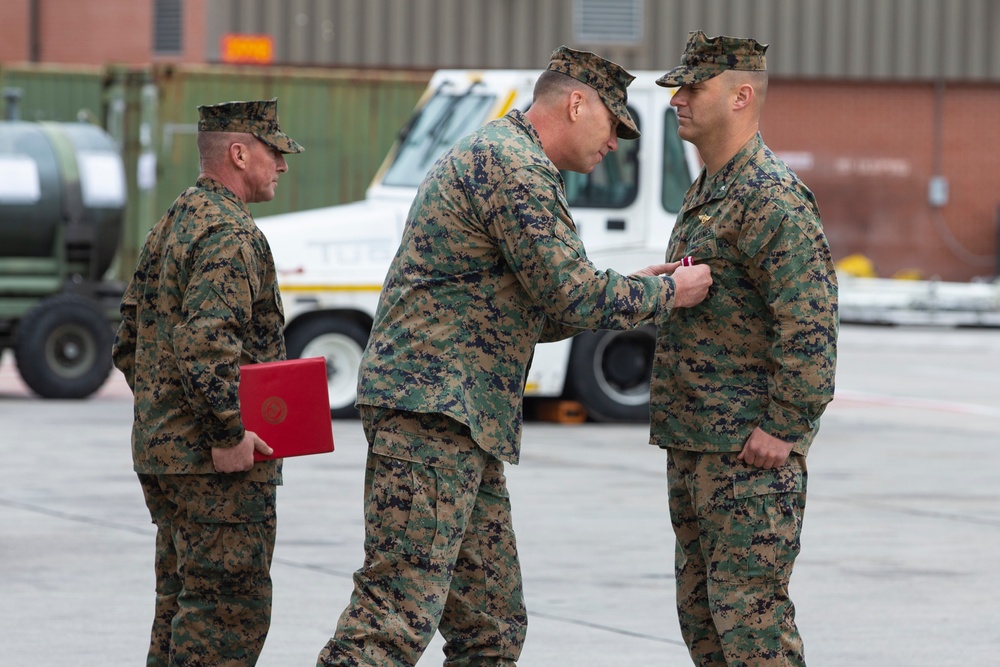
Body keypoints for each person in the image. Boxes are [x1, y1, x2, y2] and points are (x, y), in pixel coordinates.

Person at [317, 46, 712, 667]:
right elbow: (576, 297)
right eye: (614, 125)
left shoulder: (510, 159)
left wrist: (634, 287)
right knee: (392, 618)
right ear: (576, 103)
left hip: (462, 417)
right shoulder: (513, 166)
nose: (615, 144)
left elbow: (532, 310)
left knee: (492, 629)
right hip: (434, 414)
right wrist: (669, 292)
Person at [649, 31, 839, 666]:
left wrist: (783, 427)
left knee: (752, 627)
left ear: (741, 96)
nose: (676, 98)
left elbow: (810, 326)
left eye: (692, 87)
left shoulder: (770, 197)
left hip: (746, 454)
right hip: (698, 442)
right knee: (704, 623)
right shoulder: (709, 191)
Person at [111, 98, 303, 667]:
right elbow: (205, 344)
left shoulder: (172, 223)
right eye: (274, 151)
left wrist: (165, 414)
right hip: (212, 466)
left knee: (180, 608)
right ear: (239, 154)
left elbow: (129, 342)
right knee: (227, 615)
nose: (283, 165)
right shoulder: (229, 234)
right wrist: (226, 432)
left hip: (166, 458)